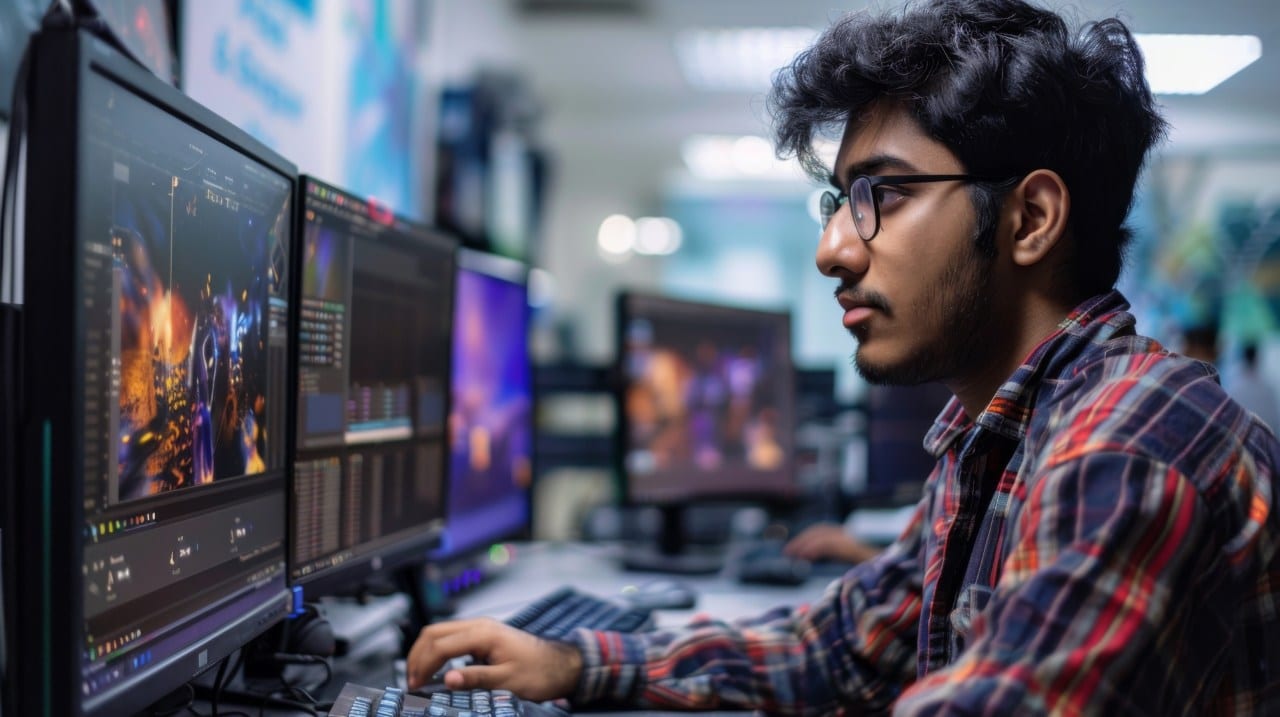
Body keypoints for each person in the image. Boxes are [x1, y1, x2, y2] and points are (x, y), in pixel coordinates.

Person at [407, 0, 1280, 712]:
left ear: (1030, 219)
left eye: (882, 195)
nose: (832, 249)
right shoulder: (997, 434)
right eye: (839, 200)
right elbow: (838, 647)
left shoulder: (1130, 444)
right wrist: (580, 662)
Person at [1227, 342, 1280, 431]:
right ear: (1257, 359)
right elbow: (1275, 421)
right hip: (1266, 435)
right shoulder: (1268, 388)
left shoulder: (1235, 389)